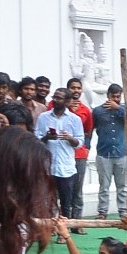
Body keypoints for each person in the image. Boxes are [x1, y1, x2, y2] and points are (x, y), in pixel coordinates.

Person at [37, 86, 84, 219]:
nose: (55, 100)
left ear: (67, 101)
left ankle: (64, 232)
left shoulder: (75, 119)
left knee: (65, 203)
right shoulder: (43, 117)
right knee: (47, 201)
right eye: (54, 97)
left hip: (66, 168)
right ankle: (49, 228)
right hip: (48, 167)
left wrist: (70, 138)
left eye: (59, 98)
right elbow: (36, 139)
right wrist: (47, 137)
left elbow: (80, 142)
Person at [91, 83, 127, 219]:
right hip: (104, 154)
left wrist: (119, 109)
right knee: (104, 186)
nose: (116, 99)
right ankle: (102, 212)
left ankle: (123, 212)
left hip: (121, 153)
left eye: (118, 97)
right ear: (108, 96)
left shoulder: (124, 111)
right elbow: (92, 128)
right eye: (113, 96)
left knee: (122, 186)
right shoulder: (98, 111)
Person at [66, 76, 94, 228]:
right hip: (62, 154)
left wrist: (87, 147)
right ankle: (65, 222)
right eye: (73, 88)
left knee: (77, 189)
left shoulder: (86, 110)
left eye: (78, 88)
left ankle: (77, 223)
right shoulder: (59, 106)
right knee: (64, 189)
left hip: (79, 154)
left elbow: (89, 131)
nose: (76, 91)